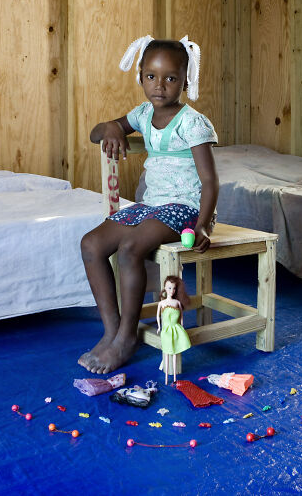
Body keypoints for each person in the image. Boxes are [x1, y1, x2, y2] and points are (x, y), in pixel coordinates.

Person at [78, 36, 218, 374]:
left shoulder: (192, 123)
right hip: (152, 206)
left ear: (185, 81)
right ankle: (111, 329)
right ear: (140, 77)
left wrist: (202, 221)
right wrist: (113, 128)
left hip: (186, 209)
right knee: (91, 244)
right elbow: (97, 133)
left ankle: (127, 336)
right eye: (151, 77)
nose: (160, 86)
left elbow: (210, 181)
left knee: (129, 250)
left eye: (171, 78)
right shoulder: (142, 114)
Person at [156, 275, 191, 383]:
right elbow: (158, 316)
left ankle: (175, 378)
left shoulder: (177, 303)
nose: (172, 290)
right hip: (166, 330)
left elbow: (181, 315)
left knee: (175, 353)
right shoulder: (162, 303)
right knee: (166, 353)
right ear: (165, 288)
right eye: (169, 288)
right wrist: (159, 326)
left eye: (174, 288)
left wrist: (182, 324)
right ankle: (166, 377)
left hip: (176, 329)